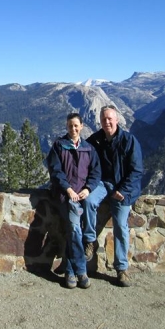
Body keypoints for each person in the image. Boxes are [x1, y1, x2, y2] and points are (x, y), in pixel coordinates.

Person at [82, 105, 143, 287]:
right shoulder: (95, 140)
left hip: (124, 188)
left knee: (120, 226)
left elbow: (137, 170)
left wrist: (123, 190)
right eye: (103, 119)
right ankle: (91, 241)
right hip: (102, 184)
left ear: (117, 120)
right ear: (100, 122)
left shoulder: (129, 141)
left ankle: (122, 269)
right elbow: (82, 157)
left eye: (109, 118)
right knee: (88, 200)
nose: (107, 122)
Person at [47, 112, 101, 289]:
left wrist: (88, 189)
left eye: (76, 125)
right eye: (70, 126)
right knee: (76, 229)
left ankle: (70, 272)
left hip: (81, 195)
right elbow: (56, 172)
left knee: (73, 231)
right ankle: (81, 271)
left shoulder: (89, 149)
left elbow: (95, 173)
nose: (73, 129)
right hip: (65, 196)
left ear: (82, 126)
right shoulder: (59, 146)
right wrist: (68, 190)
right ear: (66, 127)